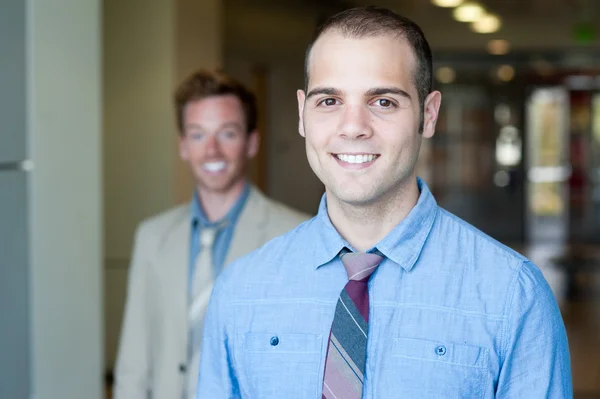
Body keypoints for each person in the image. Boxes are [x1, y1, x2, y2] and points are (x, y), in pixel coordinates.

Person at [197, 6, 572, 399]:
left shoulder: (512, 295)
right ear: (302, 115)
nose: (353, 127)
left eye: (383, 102)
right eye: (329, 101)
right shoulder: (241, 291)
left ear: (428, 115)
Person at [113, 69, 311, 399]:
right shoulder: (151, 236)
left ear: (252, 142)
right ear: (183, 146)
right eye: (198, 135)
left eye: (228, 134)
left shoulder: (296, 236)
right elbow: (133, 362)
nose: (212, 151)